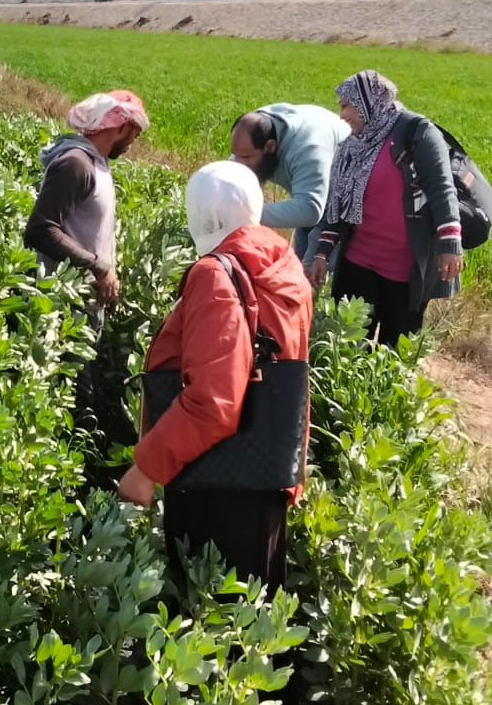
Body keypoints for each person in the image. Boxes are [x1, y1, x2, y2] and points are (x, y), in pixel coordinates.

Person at [117, 161, 312, 593]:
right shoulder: (281, 262)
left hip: (216, 478)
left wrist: (147, 468)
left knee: (210, 620)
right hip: (265, 472)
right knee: (252, 620)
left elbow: (213, 402)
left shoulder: (216, 274)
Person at [307, 70, 462, 347]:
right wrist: (322, 252)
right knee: (347, 349)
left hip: (404, 270)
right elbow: (338, 204)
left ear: (368, 102)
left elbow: (441, 188)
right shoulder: (352, 146)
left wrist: (451, 242)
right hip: (358, 263)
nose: (341, 114)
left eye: (346, 105)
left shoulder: (418, 133)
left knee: (393, 357)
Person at [23, 89, 149, 423]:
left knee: (82, 387)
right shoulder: (75, 164)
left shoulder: (96, 162)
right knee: (75, 399)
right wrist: (98, 266)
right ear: (118, 127)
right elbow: (39, 229)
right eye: (133, 134)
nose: (133, 142)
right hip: (68, 303)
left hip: (84, 300)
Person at [230, 104, 350, 260]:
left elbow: (310, 209)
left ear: (270, 146)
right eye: (236, 156)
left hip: (344, 203)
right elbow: (234, 174)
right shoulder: (258, 128)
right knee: (297, 263)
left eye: (246, 158)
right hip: (315, 190)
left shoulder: (308, 148)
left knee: (311, 271)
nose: (239, 165)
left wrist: (247, 213)